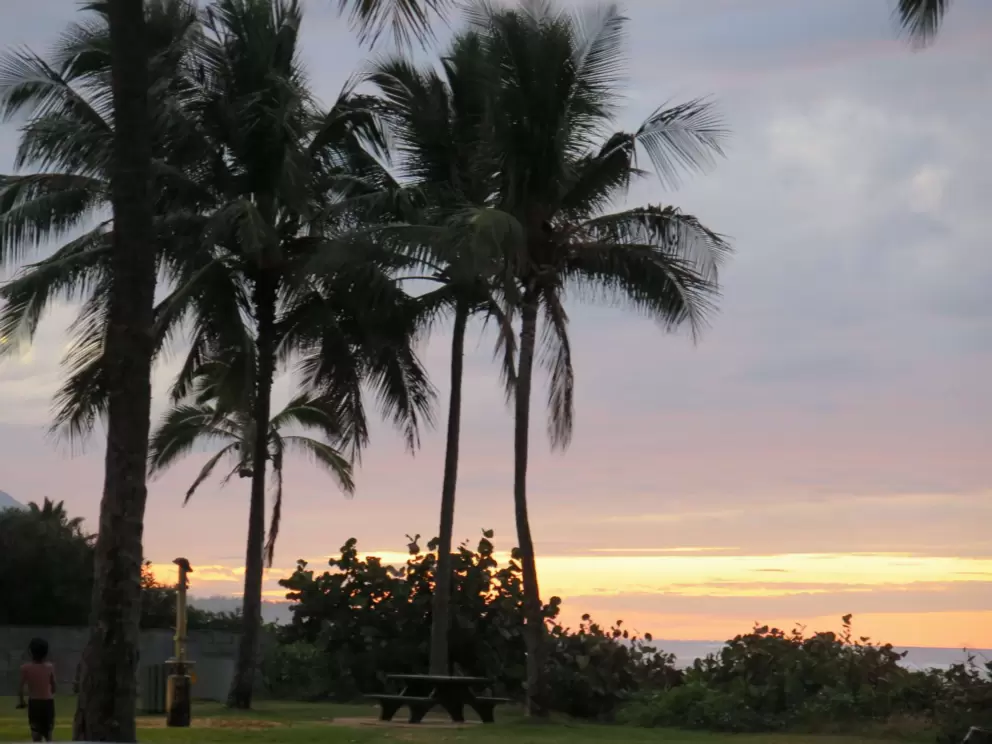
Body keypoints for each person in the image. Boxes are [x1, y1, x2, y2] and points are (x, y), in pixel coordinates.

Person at [16, 638, 56, 742]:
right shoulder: (50, 667)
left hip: (34, 703)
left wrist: (21, 701)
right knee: (48, 733)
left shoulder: (25, 668)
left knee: (35, 733)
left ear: (31, 652)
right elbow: (53, 685)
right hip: (48, 702)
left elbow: (20, 688)